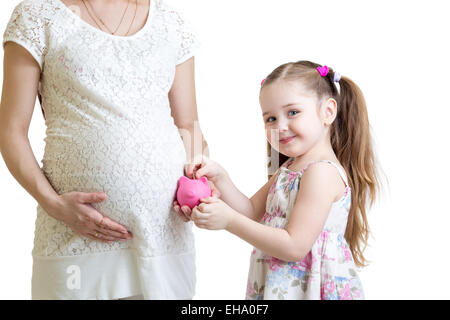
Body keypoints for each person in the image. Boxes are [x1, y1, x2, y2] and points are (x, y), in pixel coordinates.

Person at [0, 0, 213, 300]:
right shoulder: (38, 14)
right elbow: (11, 131)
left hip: (163, 235)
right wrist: (54, 205)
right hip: (72, 236)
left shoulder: (170, 22)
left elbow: (189, 125)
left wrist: (200, 175)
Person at [175, 60, 380, 299]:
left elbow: (295, 246)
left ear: (328, 112)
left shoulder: (321, 173)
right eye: (270, 118)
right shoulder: (289, 168)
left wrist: (228, 221)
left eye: (292, 112)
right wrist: (220, 178)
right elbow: (251, 211)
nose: (280, 126)